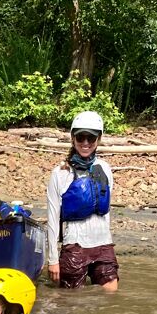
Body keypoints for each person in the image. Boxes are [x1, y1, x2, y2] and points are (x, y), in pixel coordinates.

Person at [46, 110, 119, 290]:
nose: (85, 143)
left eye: (91, 138)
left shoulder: (104, 168)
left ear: (99, 139)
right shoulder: (60, 173)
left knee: (110, 293)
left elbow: (106, 211)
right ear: (72, 138)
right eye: (80, 138)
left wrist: (109, 241)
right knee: (72, 303)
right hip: (75, 246)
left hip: (103, 243)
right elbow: (53, 217)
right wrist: (53, 260)